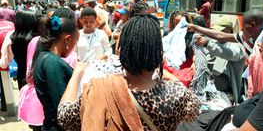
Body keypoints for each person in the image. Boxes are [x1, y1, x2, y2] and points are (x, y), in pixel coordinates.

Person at [57, 14, 200, 131]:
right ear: (158, 52)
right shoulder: (178, 93)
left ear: (122, 50)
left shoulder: (99, 89)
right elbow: (192, 114)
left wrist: (76, 75)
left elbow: (65, 118)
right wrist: (172, 80)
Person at [32, 15, 79, 130]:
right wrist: (78, 73)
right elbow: (64, 108)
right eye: (75, 41)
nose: (75, 46)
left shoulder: (45, 56)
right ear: (67, 39)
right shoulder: (52, 63)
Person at [192, 17, 245, 104]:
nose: (215, 34)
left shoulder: (237, 45)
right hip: (209, 90)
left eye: (218, 31)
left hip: (227, 94)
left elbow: (228, 53)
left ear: (228, 30)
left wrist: (207, 44)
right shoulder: (214, 42)